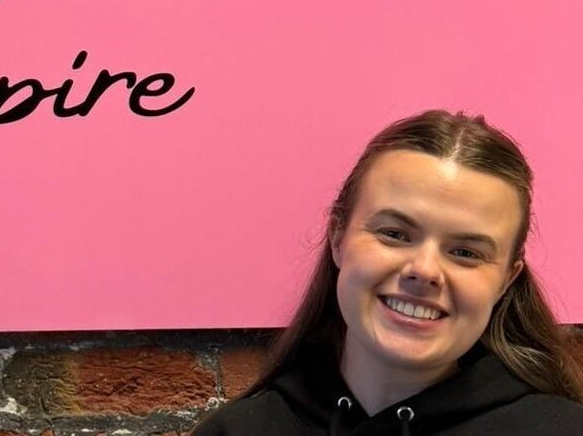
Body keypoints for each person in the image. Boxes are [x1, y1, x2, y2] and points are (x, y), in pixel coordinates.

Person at [193, 110, 583, 435]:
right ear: (337, 238)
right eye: (395, 234)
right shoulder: (238, 430)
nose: (425, 271)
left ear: (507, 279)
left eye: (465, 252)